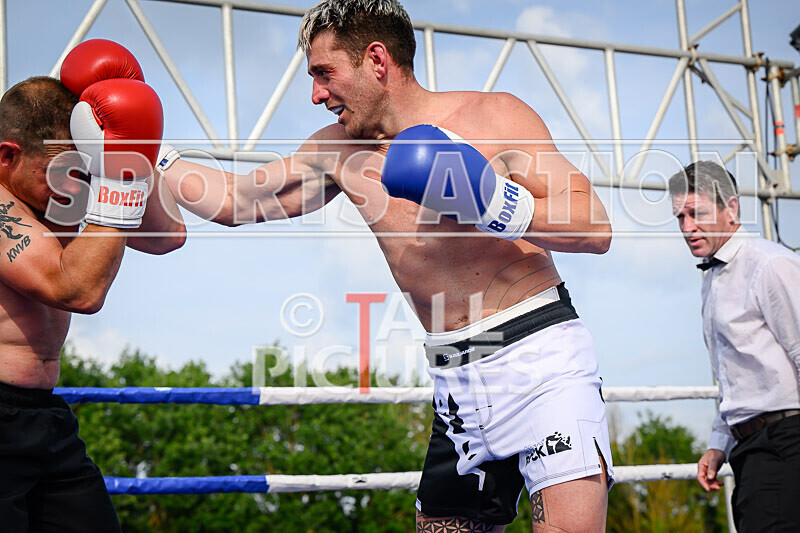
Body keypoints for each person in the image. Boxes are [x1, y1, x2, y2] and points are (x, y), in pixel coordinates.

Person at [157, 0, 614, 530]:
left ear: (377, 60)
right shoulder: (339, 152)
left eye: (325, 73)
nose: (315, 94)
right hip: (457, 386)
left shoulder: (494, 117)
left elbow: (595, 226)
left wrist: (490, 201)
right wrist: (149, 151)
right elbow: (235, 201)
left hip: (541, 363)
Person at [0, 41, 185, 531]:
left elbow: (168, 235)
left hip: (43, 420)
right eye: (55, 173)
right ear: (7, 156)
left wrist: (128, 156)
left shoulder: (58, 188)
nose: (70, 187)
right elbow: (76, 290)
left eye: (78, 172)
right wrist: (116, 187)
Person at [669, 161, 800, 532]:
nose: (687, 227)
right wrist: (718, 443)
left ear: (731, 209)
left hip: (787, 444)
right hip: (751, 449)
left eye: (696, 214)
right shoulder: (714, 276)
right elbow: (738, 375)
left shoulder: (771, 264)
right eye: (679, 216)